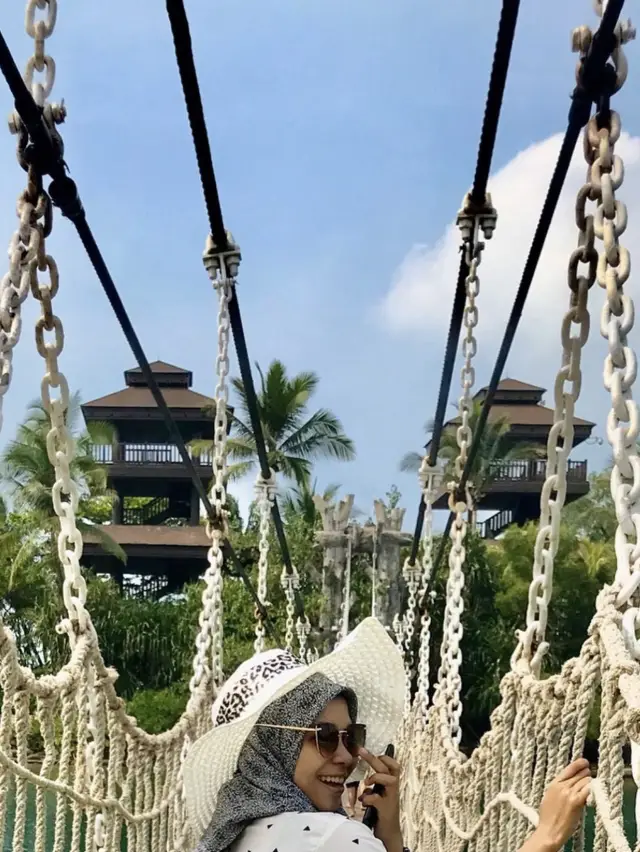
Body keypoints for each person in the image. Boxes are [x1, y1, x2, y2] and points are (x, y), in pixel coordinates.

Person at [183, 618, 591, 852]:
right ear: (274, 746)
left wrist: (387, 831)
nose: (346, 756)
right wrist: (546, 837)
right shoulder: (331, 839)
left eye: (352, 735)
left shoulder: (233, 834)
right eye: (324, 736)